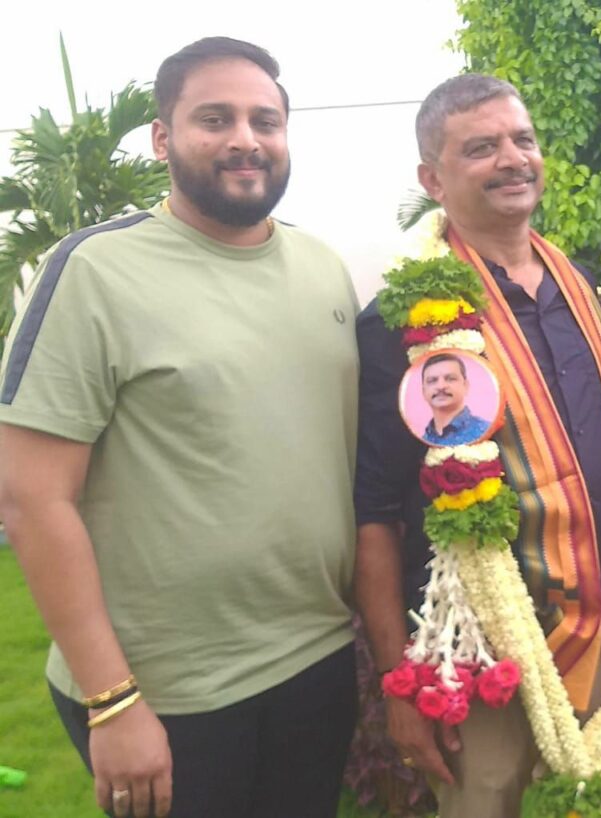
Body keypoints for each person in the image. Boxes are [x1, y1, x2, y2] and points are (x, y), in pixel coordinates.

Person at [0, 37, 360, 818]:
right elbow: (31, 499)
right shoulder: (93, 272)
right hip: (168, 692)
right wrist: (112, 700)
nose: (245, 139)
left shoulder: (323, 269)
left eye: (266, 120)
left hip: (319, 661)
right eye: (215, 119)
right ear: (163, 138)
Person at [354, 74, 601, 817]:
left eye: (523, 140)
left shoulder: (579, 287)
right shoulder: (403, 320)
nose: (513, 159)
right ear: (432, 179)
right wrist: (399, 685)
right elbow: (374, 512)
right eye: (481, 148)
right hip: (480, 656)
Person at [420, 353, 490, 445]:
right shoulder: (422, 440)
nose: (441, 386)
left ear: (465, 386)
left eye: (450, 379)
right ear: (424, 391)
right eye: (432, 381)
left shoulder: (486, 431)